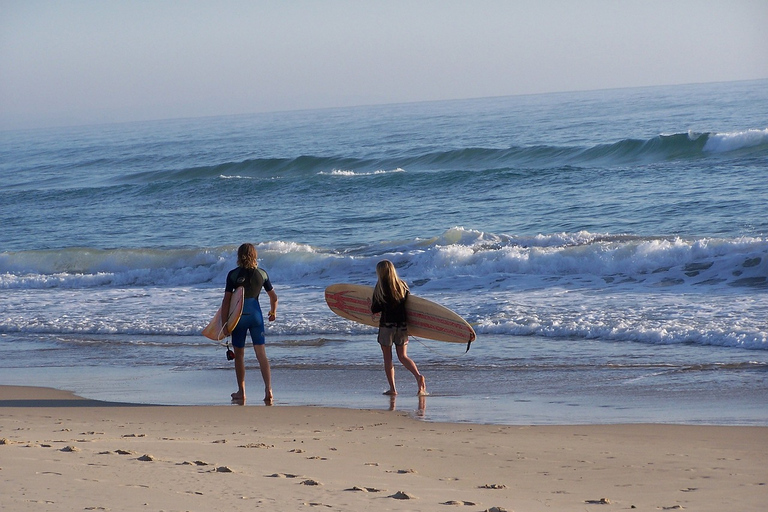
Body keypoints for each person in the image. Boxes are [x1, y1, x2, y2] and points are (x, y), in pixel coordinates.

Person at [221, 243, 278, 404]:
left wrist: (225, 323)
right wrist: (273, 312)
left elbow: (226, 301)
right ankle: (268, 389)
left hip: (239, 317)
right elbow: (274, 297)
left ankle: (242, 392)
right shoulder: (262, 274)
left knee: (239, 355)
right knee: (261, 355)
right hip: (256, 316)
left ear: (239, 256)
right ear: (255, 255)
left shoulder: (233, 275)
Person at [370, 259, 427, 396]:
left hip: (386, 327)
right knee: (403, 356)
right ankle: (418, 376)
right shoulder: (403, 286)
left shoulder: (380, 288)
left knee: (388, 358)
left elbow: (375, 309)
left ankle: (393, 389)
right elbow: (410, 305)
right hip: (402, 326)